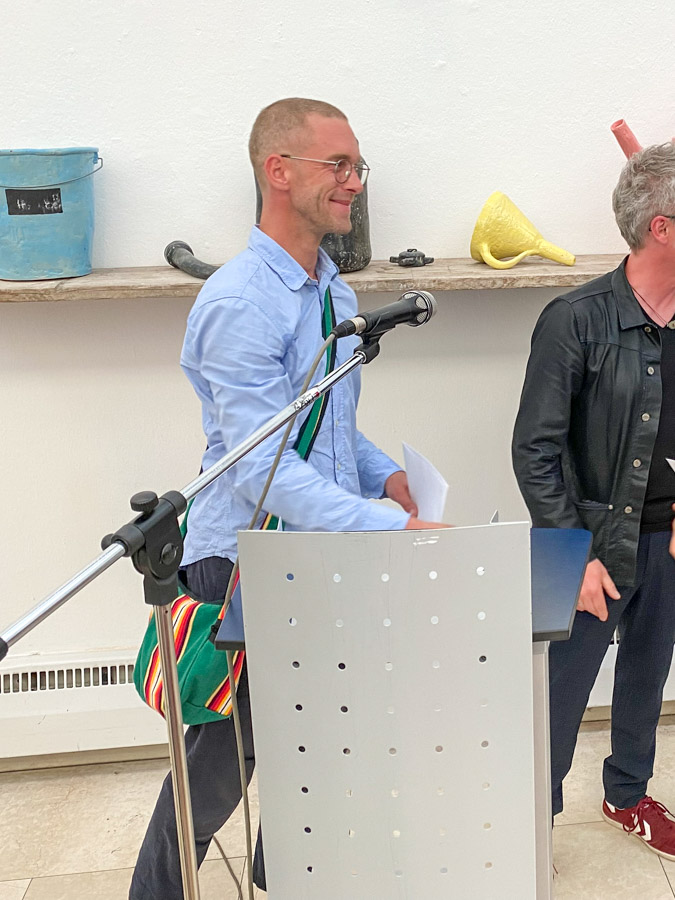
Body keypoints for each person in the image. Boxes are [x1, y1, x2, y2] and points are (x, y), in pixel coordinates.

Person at [129, 98, 444, 899]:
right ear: (278, 170)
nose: (354, 182)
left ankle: (290, 881)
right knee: (215, 775)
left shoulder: (333, 293)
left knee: (316, 755)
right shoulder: (240, 302)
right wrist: (388, 527)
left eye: (356, 166)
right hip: (242, 563)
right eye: (337, 165)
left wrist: (384, 477)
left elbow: (325, 426)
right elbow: (261, 468)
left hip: (316, 553)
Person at [512, 142, 675, 859]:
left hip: (665, 541)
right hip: (588, 547)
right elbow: (534, 451)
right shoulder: (574, 319)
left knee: (647, 675)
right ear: (661, 228)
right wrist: (573, 554)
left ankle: (627, 795)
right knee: (558, 694)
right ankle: (528, 825)